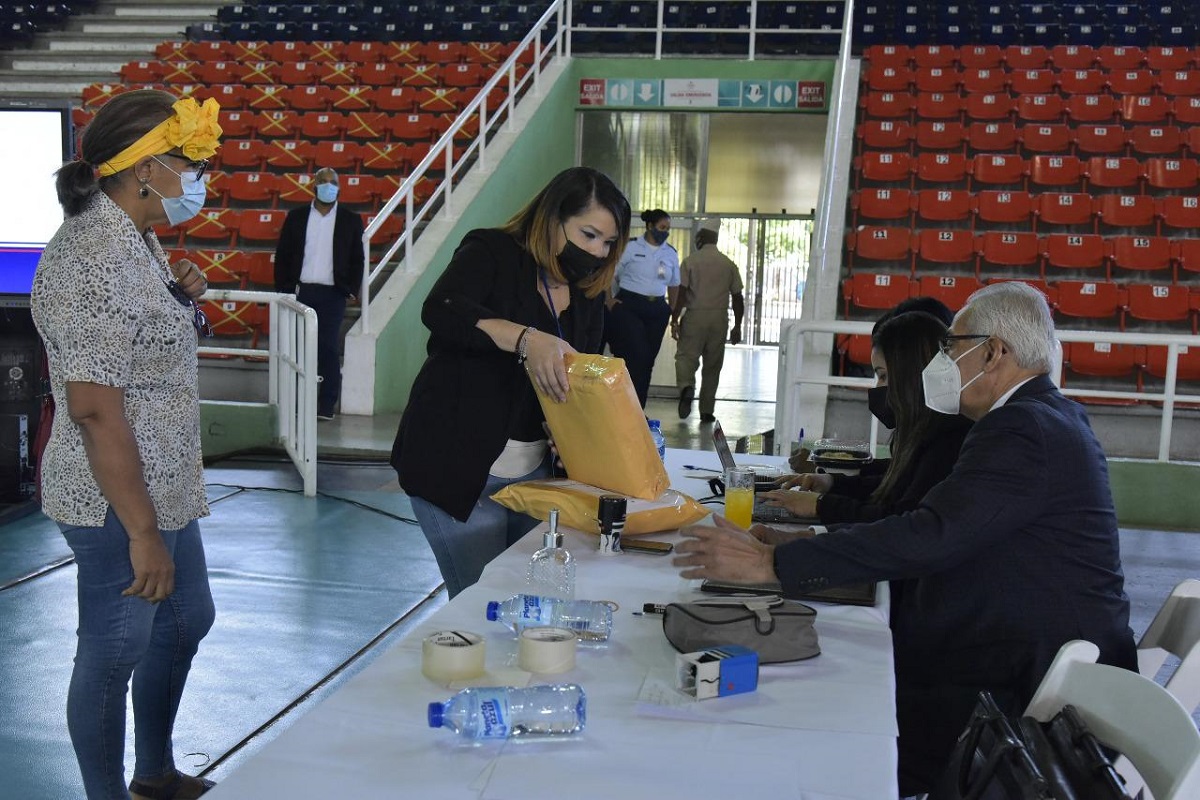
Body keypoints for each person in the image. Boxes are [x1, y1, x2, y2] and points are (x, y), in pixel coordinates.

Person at [673, 282, 1137, 796]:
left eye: (952, 347)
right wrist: (790, 549)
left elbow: (929, 534)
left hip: (1019, 684)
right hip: (1010, 648)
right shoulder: (1037, 416)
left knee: (825, 708)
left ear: (994, 353)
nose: (942, 362)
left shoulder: (1022, 429)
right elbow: (931, 523)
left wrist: (773, 565)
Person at [32, 89, 221, 800]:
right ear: (145, 169)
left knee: (187, 618)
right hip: (113, 495)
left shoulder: (136, 238)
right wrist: (142, 533)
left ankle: (154, 773)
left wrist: (180, 298)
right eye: (188, 162)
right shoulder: (93, 256)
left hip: (163, 482)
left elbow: (140, 344)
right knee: (116, 650)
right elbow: (93, 409)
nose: (198, 178)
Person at [391, 167, 630, 598]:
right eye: (589, 234)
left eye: (608, 242)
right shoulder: (492, 252)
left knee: (531, 599)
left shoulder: (586, 295)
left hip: (535, 477)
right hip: (457, 467)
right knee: (482, 603)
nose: (597, 251)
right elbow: (442, 309)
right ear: (553, 218)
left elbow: (576, 378)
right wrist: (526, 340)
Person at [766, 304, 971, 524]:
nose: (877, 387)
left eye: (883, 376)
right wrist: (831, 482)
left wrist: (820, 505)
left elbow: (899, 521)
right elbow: (891, 485)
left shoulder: (947, 441)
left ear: (910, 376)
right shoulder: (925, 432)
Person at [273, 167, 366, 420]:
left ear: (339, 188)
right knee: (296, 349)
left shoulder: (350, 220)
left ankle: (326, 405)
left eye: (333, 182)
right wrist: (283, 288)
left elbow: (357, 258)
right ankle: (294, 403)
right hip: (300, 291)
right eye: (323, 181)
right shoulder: (296, 217)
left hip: (333, 294)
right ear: (314, 186)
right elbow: (283, 254)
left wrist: (351, 289)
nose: (328, 186)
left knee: (327, 348)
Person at [604, 208, 680, 407]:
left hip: (657, 310)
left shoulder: (670, 253)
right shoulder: (630, 247)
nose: (665, 232)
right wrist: (609, 300)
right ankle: (622, 405)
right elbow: (609, 272)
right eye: (662, 227)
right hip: (629, 306)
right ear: (650, 226)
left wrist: (671, 310)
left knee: (647, 362)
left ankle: (638, 408)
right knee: (635, 356)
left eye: (668, 229)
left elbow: (674, 284)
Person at [671, 217, 744, 423]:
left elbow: (682, 293)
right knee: (713, 365)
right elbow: (738, 297)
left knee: (686, 357)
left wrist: (675, 319)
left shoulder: (690, 262)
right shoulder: (728, 264)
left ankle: (686, 387)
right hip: (719, 318)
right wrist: (737, 326)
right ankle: (706, 411)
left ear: (700, 238)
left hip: (695, 316)